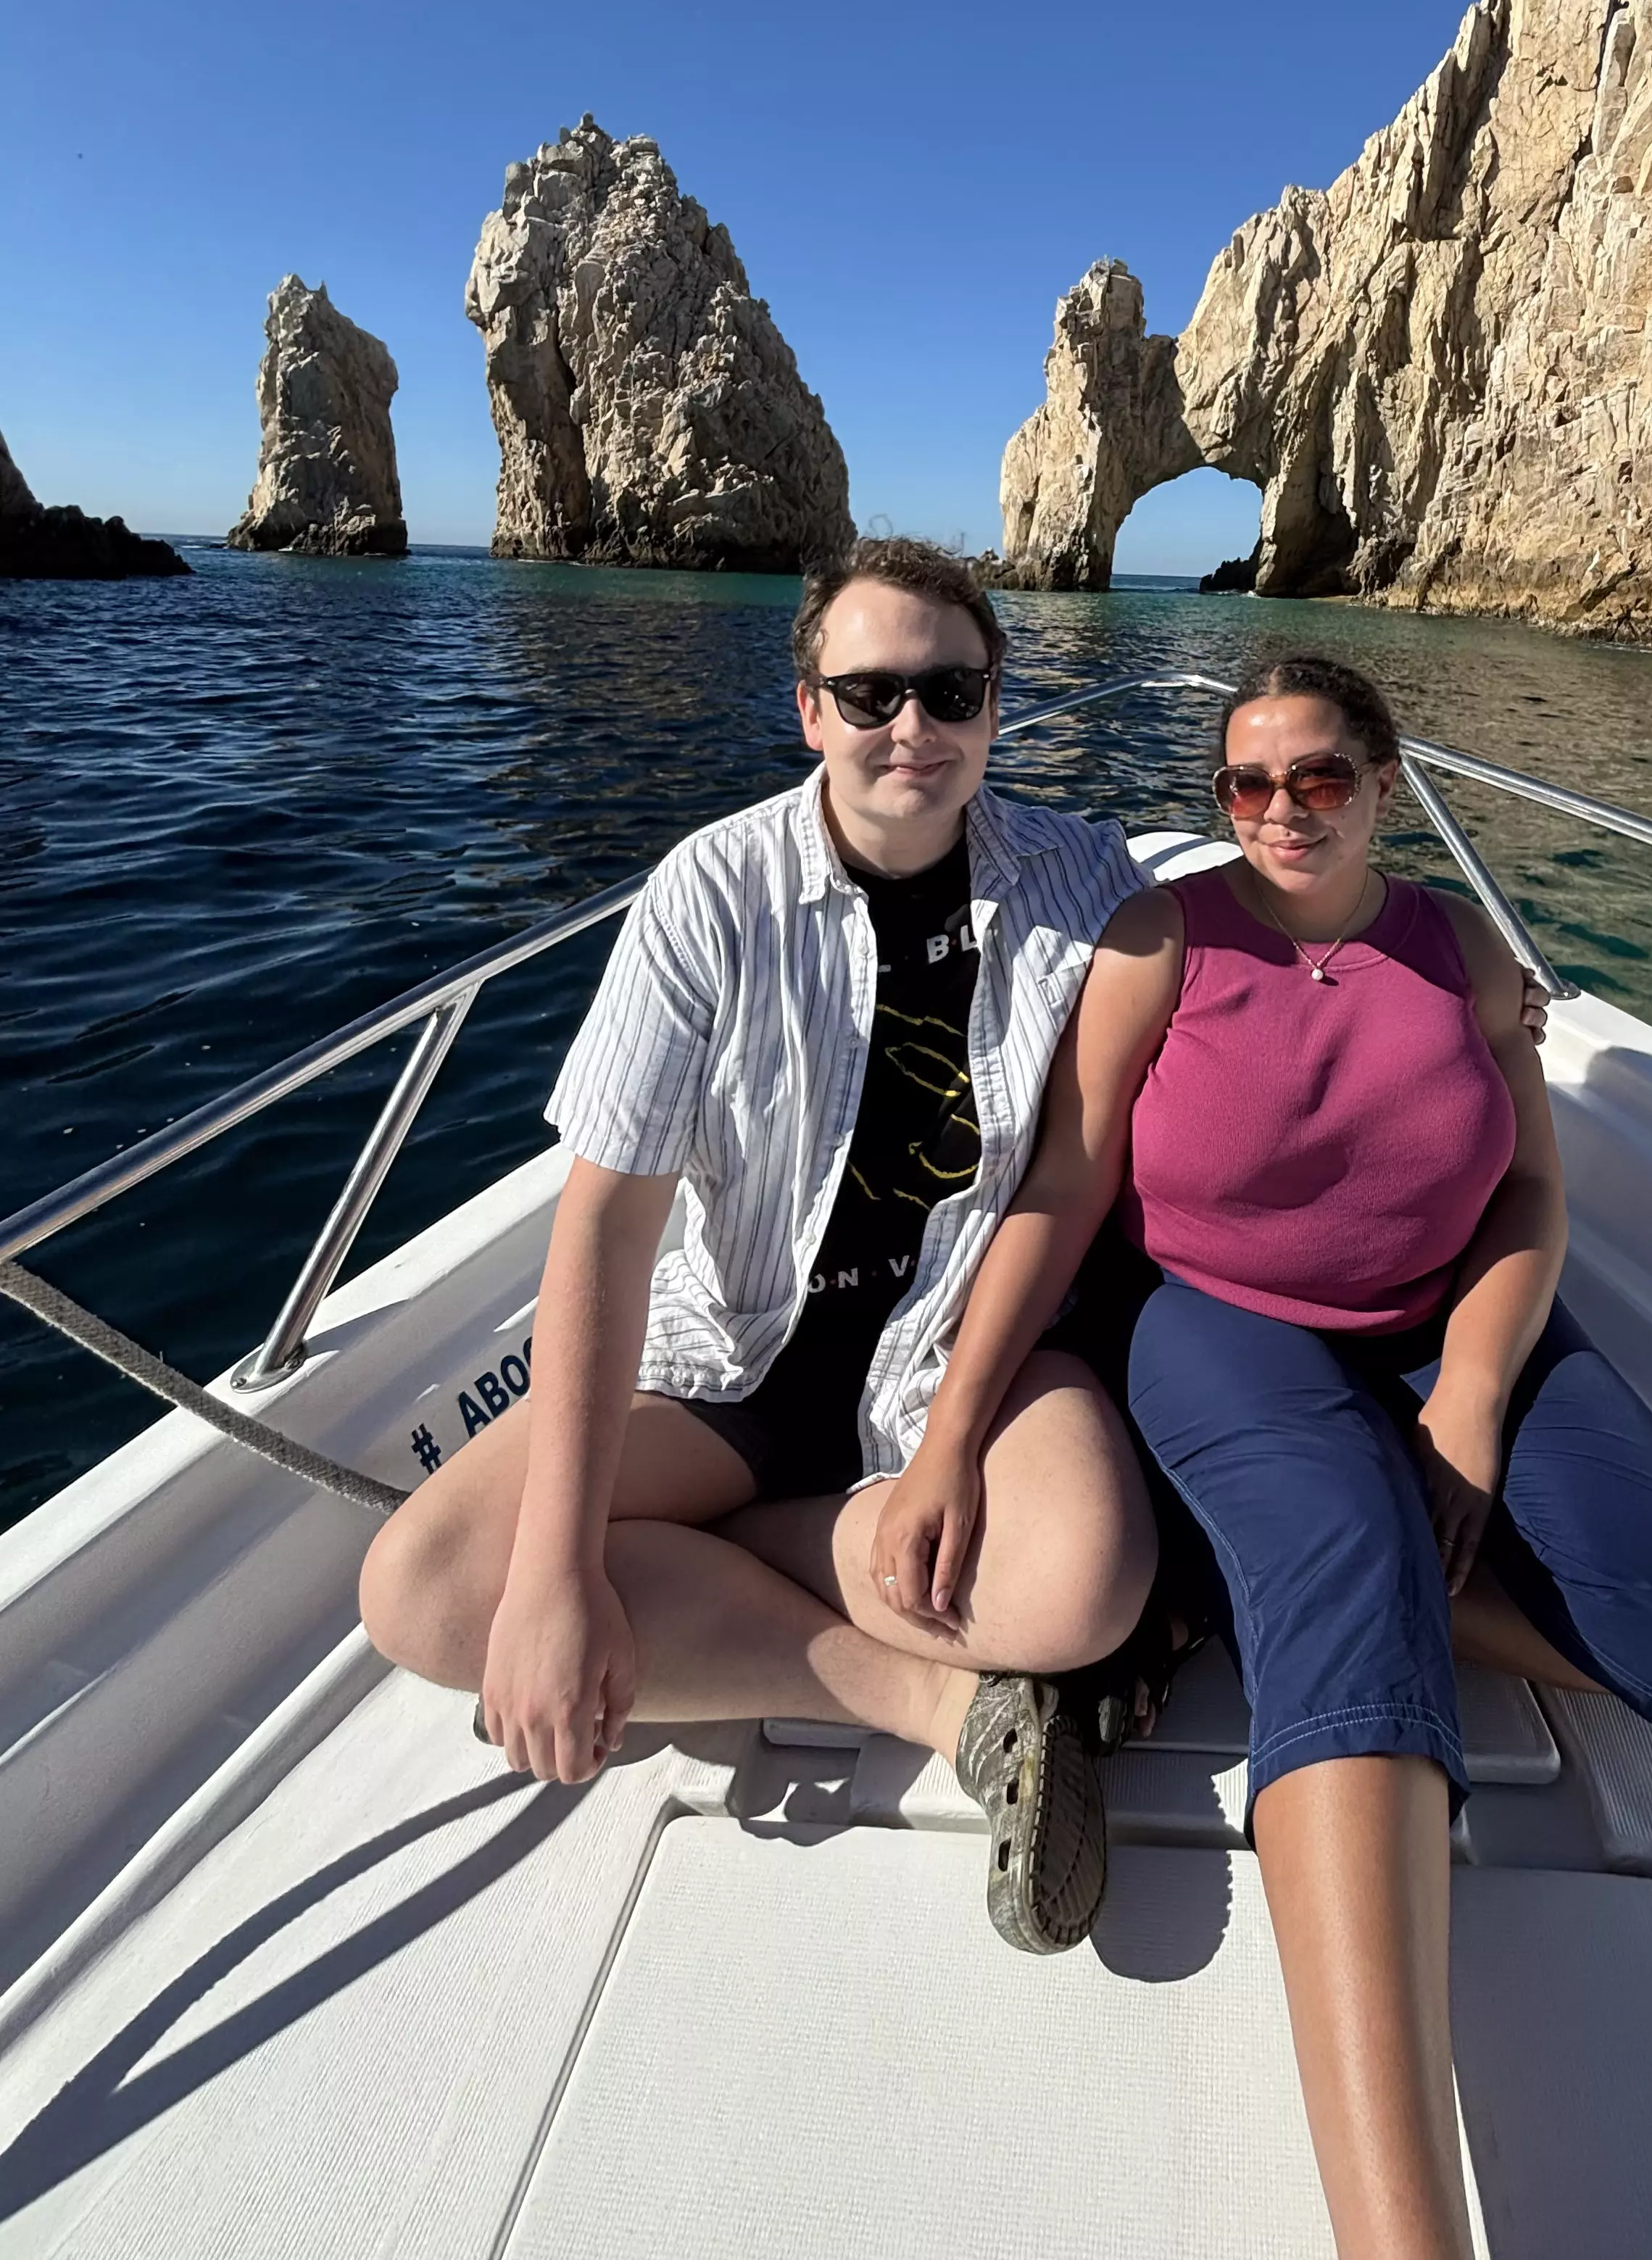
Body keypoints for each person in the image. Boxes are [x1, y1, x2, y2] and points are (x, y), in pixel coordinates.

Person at [878, 648, 1652, 2259]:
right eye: (1247, 784)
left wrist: (1470, 1393)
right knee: (1349, 1563)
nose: (1282, 809)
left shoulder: (1462, 951)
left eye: (1321, 776)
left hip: (1439, 1315)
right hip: (1220, 1318)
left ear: (1385, 785)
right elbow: (1064, 1186)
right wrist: (950, 1432)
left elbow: (1529, 1195)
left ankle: (1219, 1574)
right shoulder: (1162, 940)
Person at [359, 538, 1158, 1956]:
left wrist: (1467, 979)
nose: (911, 727)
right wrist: (555, 1578)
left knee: (1088, 1584)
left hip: (951, 1360)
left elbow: (1250, 926)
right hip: (736, 1362)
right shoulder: (709, 896)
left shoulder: (1082, 878)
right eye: (869, 694)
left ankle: (708, 1561)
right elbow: (607, 1225)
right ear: (809, 711)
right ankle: (943, 1705)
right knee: (426, 1594)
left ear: (995, 702)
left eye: (951, 691)